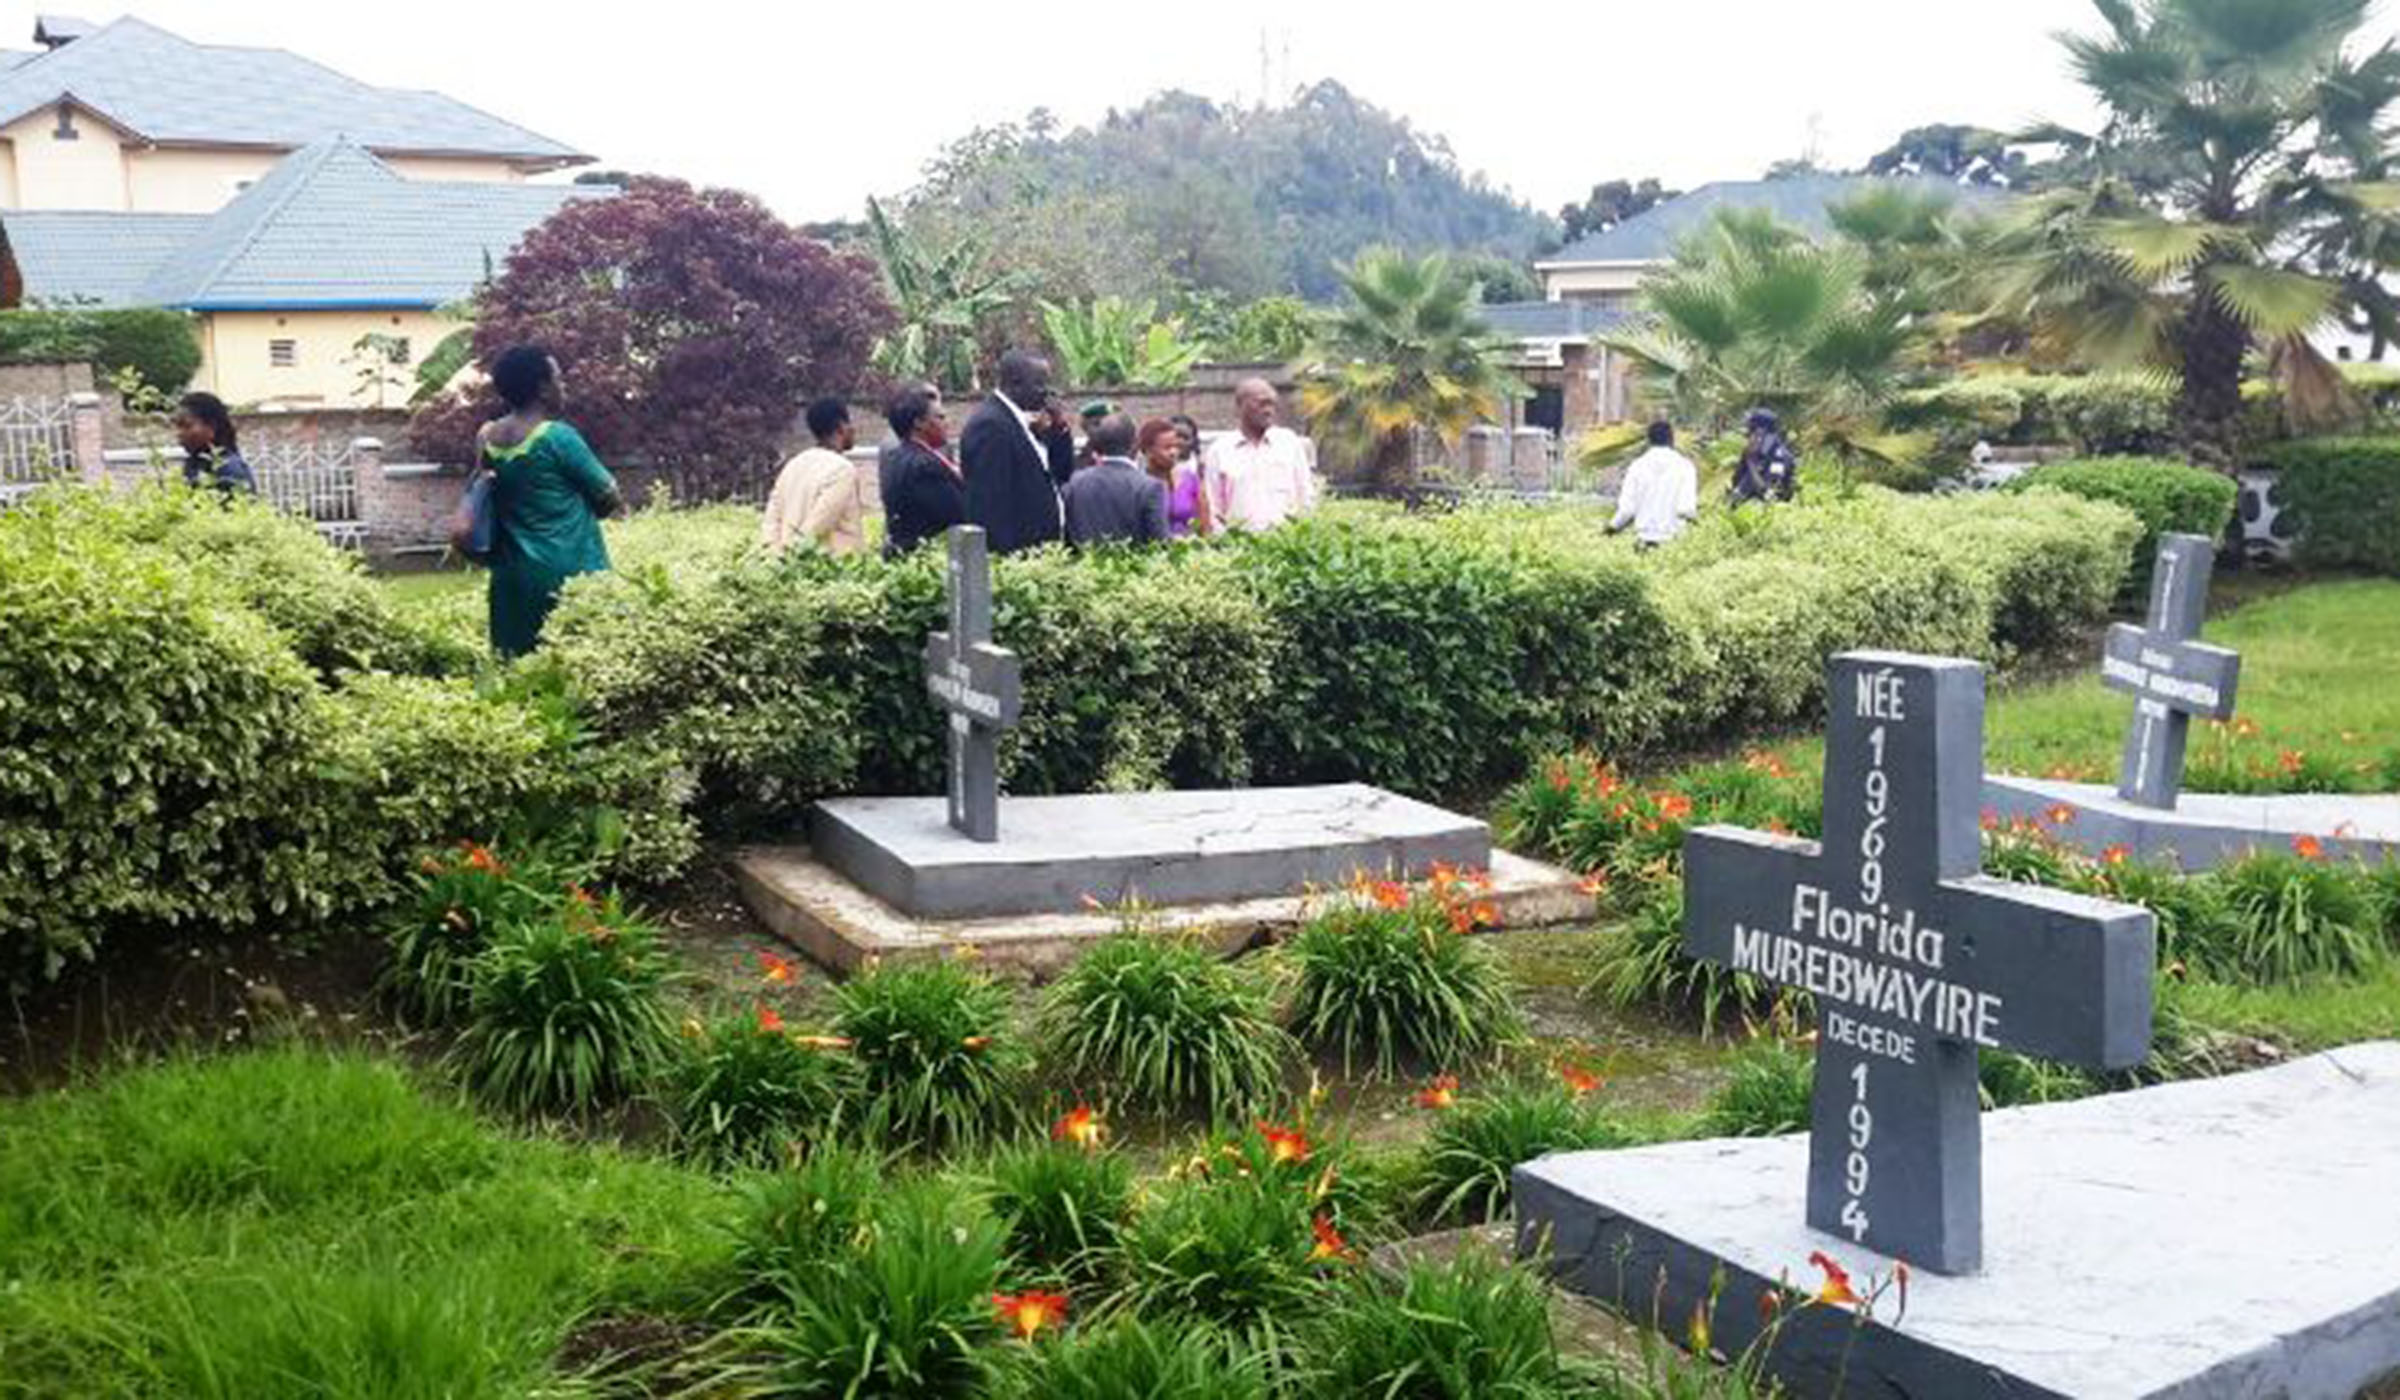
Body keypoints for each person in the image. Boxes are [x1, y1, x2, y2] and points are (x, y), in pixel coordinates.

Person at [477, 345, 621, 658]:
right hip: (569, 576)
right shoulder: (558, 437)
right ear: (542, 388)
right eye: (558, 377)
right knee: (578, 670)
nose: (563, 385)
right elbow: (609, 496)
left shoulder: (487, 439)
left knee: (517, 674)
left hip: (511, 579)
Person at [961, 349, 1075, 553]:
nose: (1047, 392)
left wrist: (1058, 428)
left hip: (1043, 554)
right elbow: (990, 504)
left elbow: (1061, 473)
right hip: (1019, 558)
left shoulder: (1021, 422)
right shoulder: (991, 426)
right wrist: (1005, 563)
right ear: (1015, 383)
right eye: (1039, 383)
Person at [1201, 377, 1317, 532]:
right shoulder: (1220, 450)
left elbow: (1305, 494)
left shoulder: (1289, 443)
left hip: (1286, 543)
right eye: (1262, 404)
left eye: (1272, 404)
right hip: (1239, 546)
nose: (1268, 410)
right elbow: (1213, 504)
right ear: (1240, 407)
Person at [760, 396, 865, 556]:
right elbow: (820, 523)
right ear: (841, 427)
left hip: (790, 568)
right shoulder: (842, 470)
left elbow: (771, 520)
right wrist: (798, 554)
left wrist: (778, 558)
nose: (854, 429)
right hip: (831, 568)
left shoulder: (793, 465)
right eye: (850, 422)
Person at [881, 383, 967, 558]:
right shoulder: (924, 467)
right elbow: (960, 513)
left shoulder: (898, 456)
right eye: (940, 417)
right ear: (919, 423)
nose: (947, 423)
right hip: (924, 558)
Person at [1063, 413, 1169, 547]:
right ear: (1135, 444)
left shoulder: (1075, 482)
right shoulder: (1149, 487)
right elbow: (1160, 543)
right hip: (1134, 566)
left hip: (1083, 565)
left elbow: (1066, 535)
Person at [1606, 419, 1700, 549]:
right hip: (1675, 541)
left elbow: (1627, 510)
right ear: (1672, 439)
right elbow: (1687, 508)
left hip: (1644, 538)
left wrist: (1611, 528)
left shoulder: (1637, 466)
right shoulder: (1685, 466)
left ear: (1649, 440)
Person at [171, 391, 256, 496]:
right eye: (177, 426)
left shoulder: (229, 470)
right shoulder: (194, 464)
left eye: (186, 426)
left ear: (211, 427)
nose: (179, 433)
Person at [1139, 417, 1206, 537]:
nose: (1173, 452)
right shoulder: (1139, 485)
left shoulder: (1190, 480)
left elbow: (1205, 526)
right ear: (1148, 451)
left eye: (1176, 447)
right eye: (1167, 448)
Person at [1732, 407, 1800, 505]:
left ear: (1761, 432)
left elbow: (1773, 491)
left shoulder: (1777, 455)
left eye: (1751, 430)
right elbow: (1738, 482)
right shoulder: (1753, 454)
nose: (1748, 435)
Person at [1168, 413, 1212, 536]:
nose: (1180, 442)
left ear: (1193, 441)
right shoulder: (1158, 471)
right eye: (1176, 436)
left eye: (1185, 438)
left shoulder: (1199, 471)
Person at [1075, 399, 1113, 472]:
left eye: (1109, 424)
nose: (1104, 428)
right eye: (1097, 424)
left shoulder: (1121, 455)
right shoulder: (1080, 458)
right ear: (1085, 427)